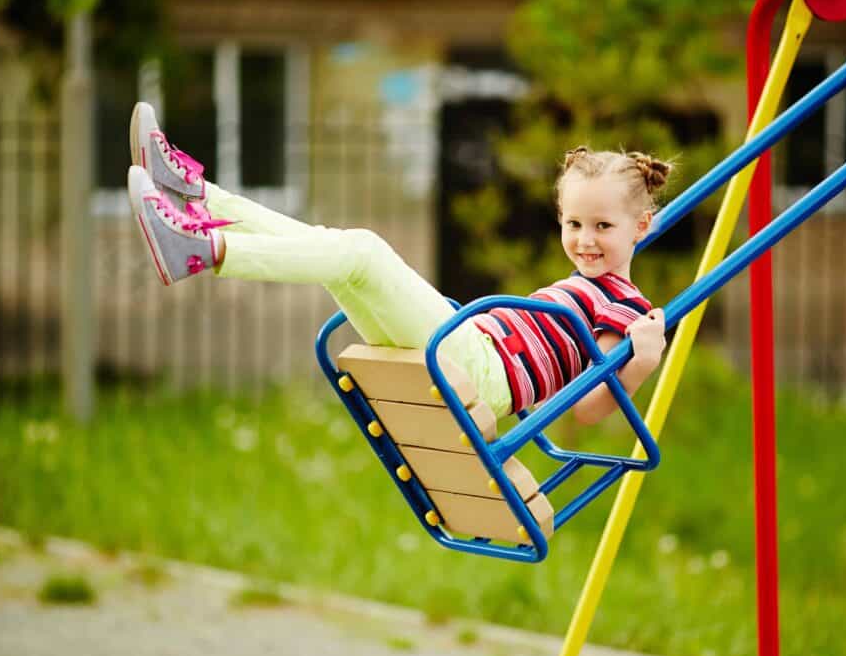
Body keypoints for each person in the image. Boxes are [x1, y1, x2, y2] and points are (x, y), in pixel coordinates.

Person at [126, 102, 667, 425]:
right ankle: (196, 194)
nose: (585, 241)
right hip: (467, 346)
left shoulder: (626, 308)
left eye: (603, 227)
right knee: (333, 253)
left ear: (640, 227)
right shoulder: (583, 283)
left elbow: (587, 408)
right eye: (573, 224)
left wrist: (640, 362)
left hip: (480, 368)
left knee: (360, 251)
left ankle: (203, 248)